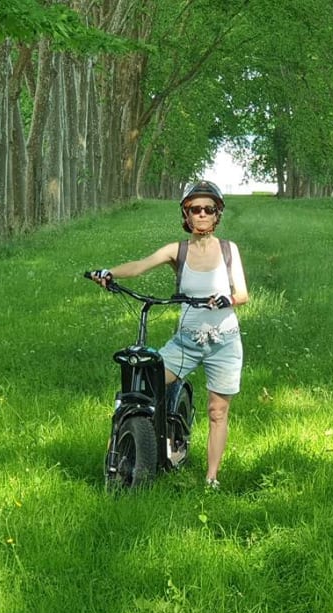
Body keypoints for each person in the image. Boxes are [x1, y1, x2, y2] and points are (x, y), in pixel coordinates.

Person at [91, 180, 248, 489]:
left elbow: (242, 294)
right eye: (195, 209)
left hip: (224, 341)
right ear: (186, 215)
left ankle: (211, 479)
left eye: (208, 209)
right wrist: (108, 273)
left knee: (218, 410)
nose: (202, 214)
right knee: (147, 385)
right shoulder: (178, 250)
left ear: (217, 215)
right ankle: (150, 441)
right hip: (186, 341)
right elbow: (139, 266)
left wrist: (227, 299)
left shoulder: (230, 250)